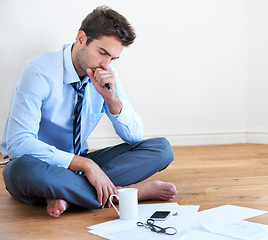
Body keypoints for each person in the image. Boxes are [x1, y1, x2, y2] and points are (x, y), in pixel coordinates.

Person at [1, 6, 177, 218]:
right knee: (19, 169)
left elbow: (135, 137)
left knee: (161, 149)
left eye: (113, 58)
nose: (106, 64)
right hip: (42, 167)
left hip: (77, 167)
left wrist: (112, 100)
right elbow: (19, 143)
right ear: (82, 38)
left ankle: (67, 194)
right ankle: (126, 193)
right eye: (102, 53)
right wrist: (85, 164)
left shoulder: (107, 73)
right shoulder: (38, 71)